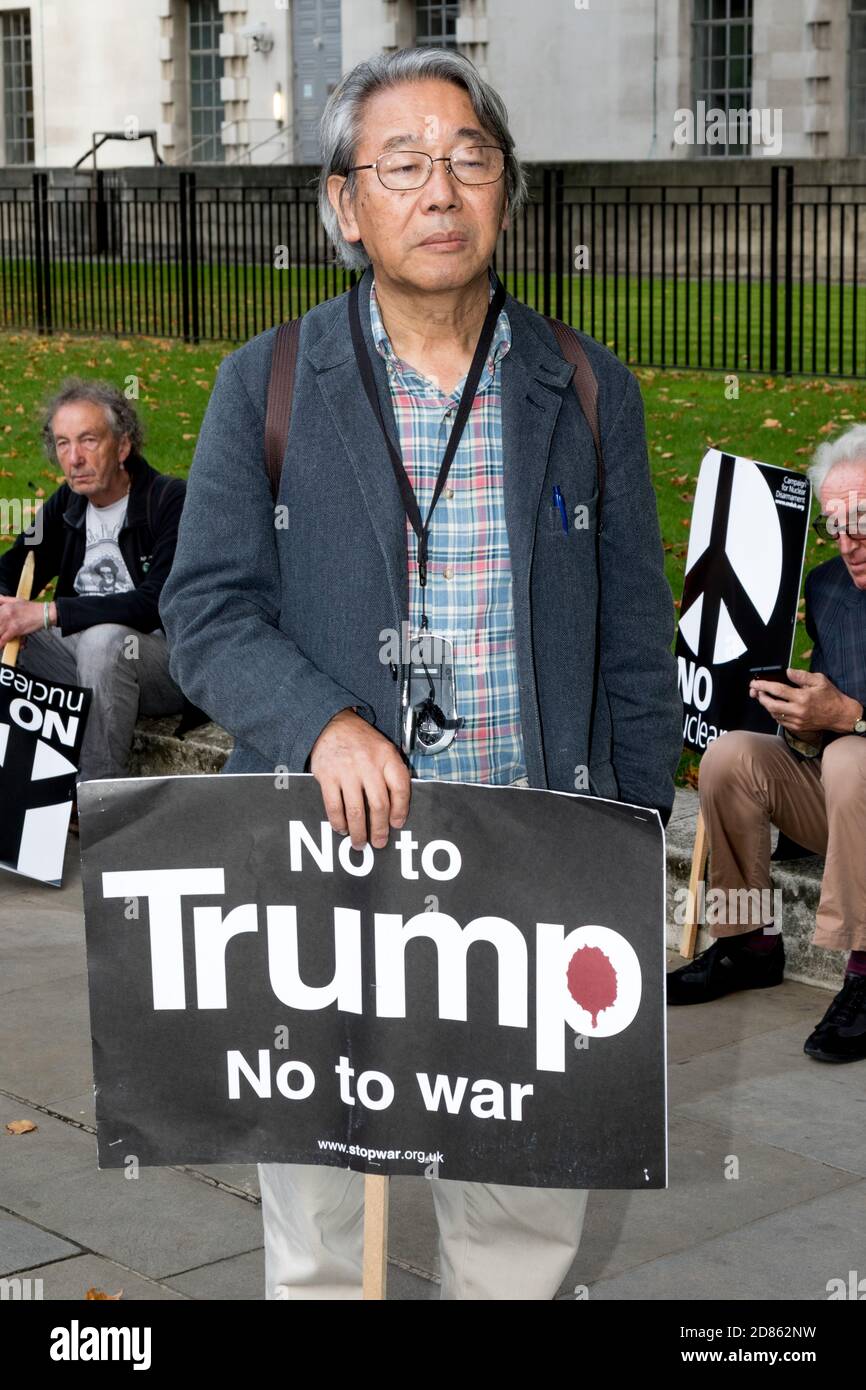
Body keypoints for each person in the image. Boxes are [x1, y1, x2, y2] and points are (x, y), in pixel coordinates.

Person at [159, 47, 682, 1300]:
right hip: (320, 882)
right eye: (401, 164)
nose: (438, 190)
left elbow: (632, 645)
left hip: (527, 874)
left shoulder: (586, 387)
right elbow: (207, 612)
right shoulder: (268, 382)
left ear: (505, 190)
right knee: (325, 1245)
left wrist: (632, 841)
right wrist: (323, 720)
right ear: (345, 205)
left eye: (467, 160)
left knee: (520, 1231)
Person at [667, 426, 866, 1064]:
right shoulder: (830, 590)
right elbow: (827, 723)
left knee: (851, 756)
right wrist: (804, 720)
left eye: (860, 518)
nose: (847, 540)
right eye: (834, 525)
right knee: (734, 754)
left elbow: (850, 724)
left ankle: (863, 972)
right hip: (848, 804)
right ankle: (748, 941)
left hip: (855, 775)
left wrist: (850, 718)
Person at [0, 378, 199, 830]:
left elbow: (156, 603)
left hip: (158, 663)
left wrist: (49, 612)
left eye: (89, 440)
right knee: (14, 629)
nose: (74, 458)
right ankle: (17, 794)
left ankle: (97, 807)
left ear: (123, 445)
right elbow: (13, 565)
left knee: (103, 641)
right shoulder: (67, 504)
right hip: (82, 662)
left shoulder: (169, 501)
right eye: (64, 443)